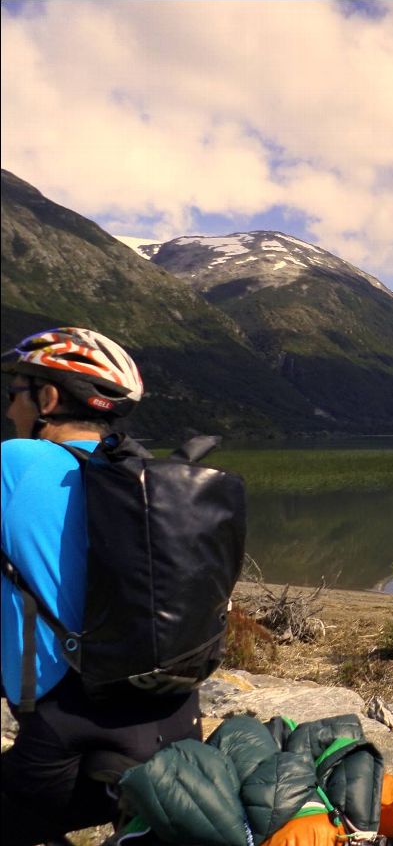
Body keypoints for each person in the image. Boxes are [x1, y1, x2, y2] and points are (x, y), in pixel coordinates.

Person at [1, 327, 203, 845]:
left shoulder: (13, 465)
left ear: (47, 398)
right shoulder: (147, 477)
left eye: (14, 393)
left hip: (65, 730)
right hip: (174, 719)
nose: (7, 410)